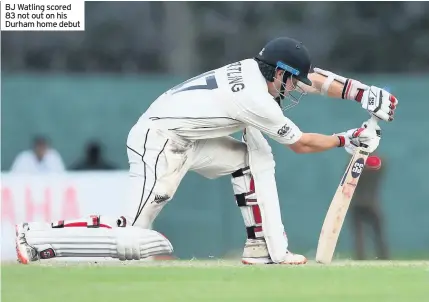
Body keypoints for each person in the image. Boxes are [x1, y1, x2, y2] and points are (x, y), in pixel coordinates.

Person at [15, 37, 398, 265]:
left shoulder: (257, 68)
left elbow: (313, 78)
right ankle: (37, 237)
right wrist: (345, 140)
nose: (297, 87)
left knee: (252, 157)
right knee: (131, 236)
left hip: (191, 139)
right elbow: (299, 144)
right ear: (278, 73)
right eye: (292, 80)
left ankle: (260, 247)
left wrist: (361, 92)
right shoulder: (254, 99)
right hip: (160, 143)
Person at [350, 154, 389, 260]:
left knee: (360, 234)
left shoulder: (353, 164)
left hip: (358, 202)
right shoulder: (379, 163)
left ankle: (361, 257)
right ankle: (383, 256)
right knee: (376, 233)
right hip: (370, 203)